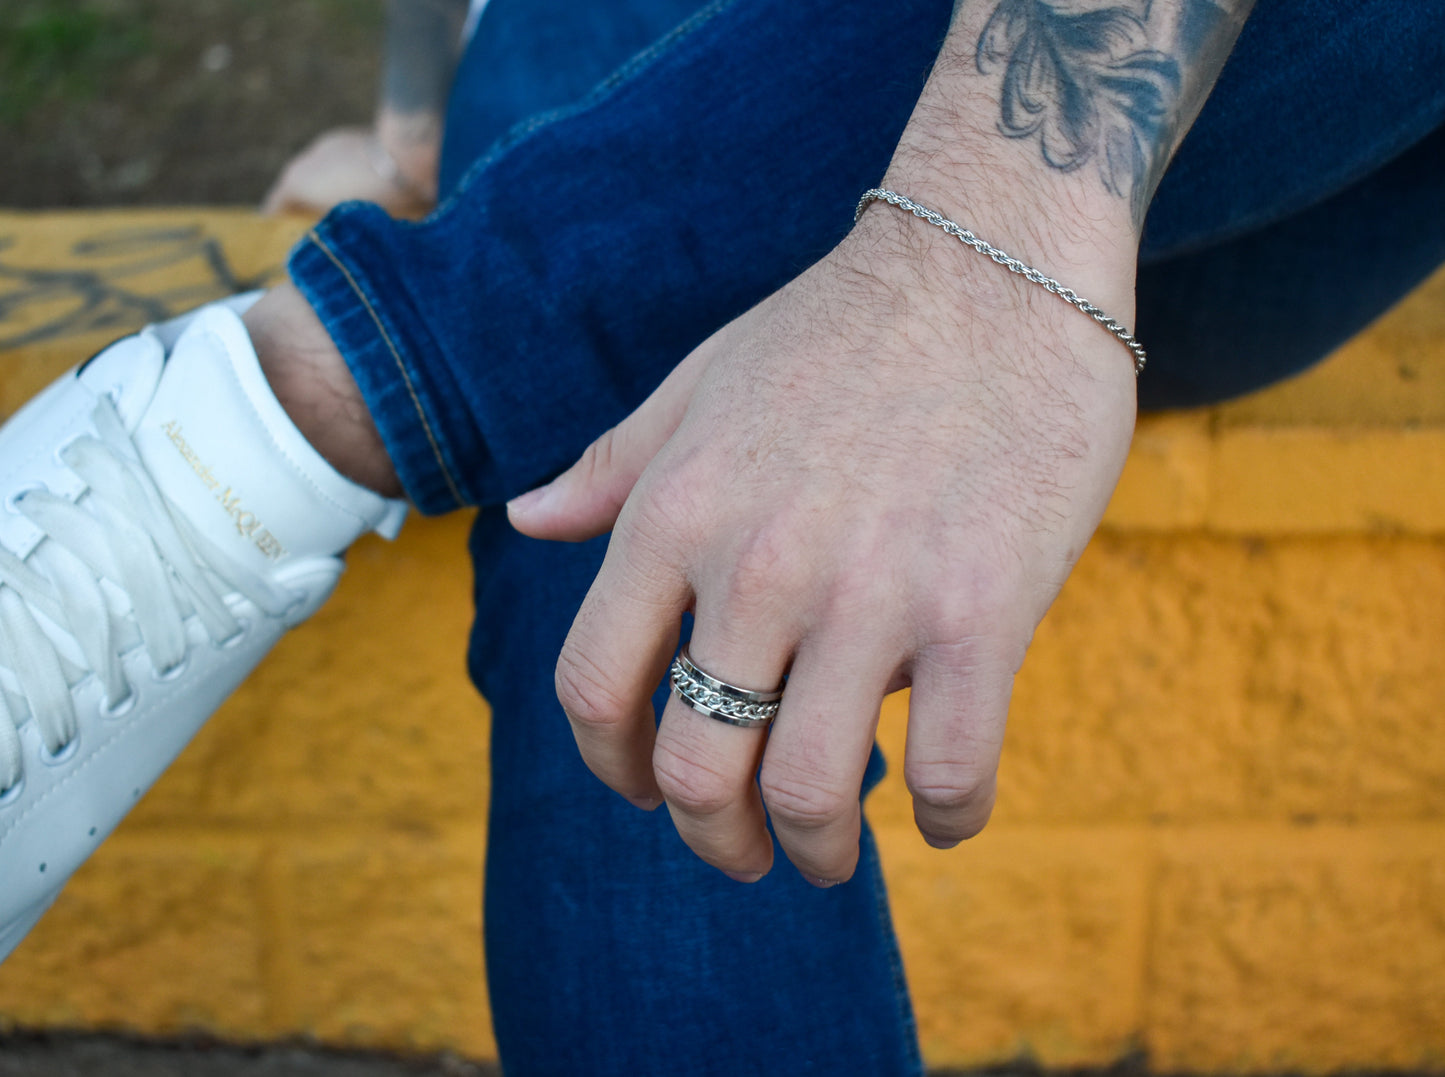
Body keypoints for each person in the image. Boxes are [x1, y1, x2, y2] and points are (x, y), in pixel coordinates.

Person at [1, 0, 1442, 1073]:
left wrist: (965, 254)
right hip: (683, 77)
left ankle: (258, 435)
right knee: (631, 457)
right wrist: (406, 133)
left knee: (601, 388)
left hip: (1241, 142)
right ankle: (262, 431)